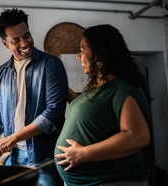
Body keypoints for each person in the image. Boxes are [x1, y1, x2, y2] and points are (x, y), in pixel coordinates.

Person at [0, 8, 68, 186]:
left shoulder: (51, 65)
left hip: (44, 158)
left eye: (27, 36)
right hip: (12, 159)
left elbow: (54, 113)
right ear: (5, 43)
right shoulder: (0, 73)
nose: (24, 43)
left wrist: (13, 138)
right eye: (16, 40)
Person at [54, 24, 153, 186]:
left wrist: (83, 154)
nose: (78, 56)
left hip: (112, 181)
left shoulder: (123, 87)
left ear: (100, 53)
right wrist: (60, 88)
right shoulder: (98, 90)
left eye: (82, 49)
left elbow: (137, 136)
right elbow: (92, 114)